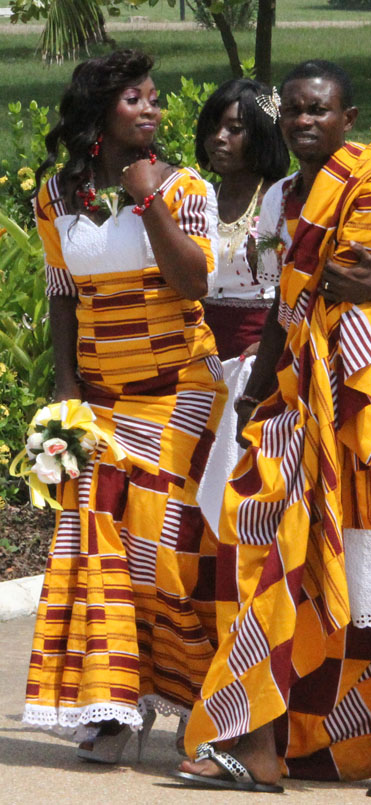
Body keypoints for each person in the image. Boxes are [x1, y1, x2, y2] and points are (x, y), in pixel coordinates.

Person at [174, 60, 371, 798]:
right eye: (292, 110)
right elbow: (282, 311)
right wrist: (253, 400)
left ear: (349, 117)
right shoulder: (284, 199)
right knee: (267, 557)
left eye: (318, 109)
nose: (303, 121)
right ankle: (261, 748)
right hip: (300, 410)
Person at [22, 49, 227, 763]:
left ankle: (202, 697)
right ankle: (111, 707)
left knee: (167, 549)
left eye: (155, 98)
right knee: (96, 544)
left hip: (181, 393)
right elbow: (60, 294)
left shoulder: (184, 186)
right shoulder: (56, 195)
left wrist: (148, 199)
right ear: (101, 110)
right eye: (136, 98)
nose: (153, 109)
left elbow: (195, 280)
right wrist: (65, 386)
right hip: (101, 400)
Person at [195, 78, 289, 537]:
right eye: (214, 126)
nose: (219, 138)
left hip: (254, 350)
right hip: (197, 349)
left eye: (235, 128)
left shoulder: (274, 200)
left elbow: (277, 280)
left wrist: (265, 353)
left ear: (262, 134)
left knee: (239, 471)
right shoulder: (197, 196)